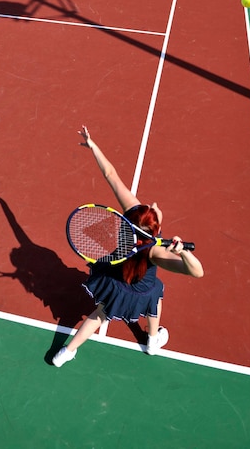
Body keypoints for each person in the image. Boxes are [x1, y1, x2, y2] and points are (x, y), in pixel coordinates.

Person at [52, 126, 204, 367]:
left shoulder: (131, 216)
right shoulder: (156, 253)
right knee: (156, 296)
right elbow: (197, 272)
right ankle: (151, 343)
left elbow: (111, 175)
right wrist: (183, 252)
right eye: (154, 210)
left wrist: (93, 146)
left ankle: (66, 352)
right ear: (155, 230)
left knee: (99, 315)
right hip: (140, 289)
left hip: (116, 278)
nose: (153, 204)